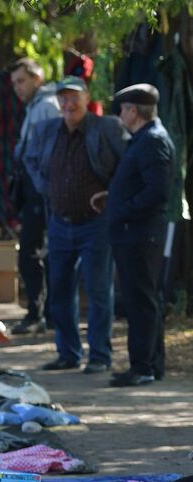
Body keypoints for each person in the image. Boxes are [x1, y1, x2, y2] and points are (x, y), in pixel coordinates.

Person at [22, 76, 127, 374]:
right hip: (60, 221)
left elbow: (128, 162)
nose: (69, 104)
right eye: (63, 98)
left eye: (74, 98)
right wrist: (46, 186)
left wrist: (112, 192)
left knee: (97, 290)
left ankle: (100, 355)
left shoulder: (106, 128)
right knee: (60, 291)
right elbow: (29, 160)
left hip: (95, 223)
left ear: (86, 98)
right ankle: (68, 352)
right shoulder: (46, 130)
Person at [96, 84, 173, 387]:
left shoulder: (152, 141)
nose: (121, 114)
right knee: (143, 300)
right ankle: (150, 364)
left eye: (125, 108)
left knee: (141, 302)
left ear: (134, 111)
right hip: (134, 233)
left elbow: (157, 190)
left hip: (139, 235)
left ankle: (143, 366)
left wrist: (125, 209)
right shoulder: (144, 139)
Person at [11, 59, 59, 333]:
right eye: (15, 83)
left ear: (37, 79)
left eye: (22, 81)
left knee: (36, 251)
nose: (18, 88)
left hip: (43, 190)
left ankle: (42, 313)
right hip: (33, 190)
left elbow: (52, 154)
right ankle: (40, 312)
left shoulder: (47, 107)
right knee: (32, 250)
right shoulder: (33, 107)